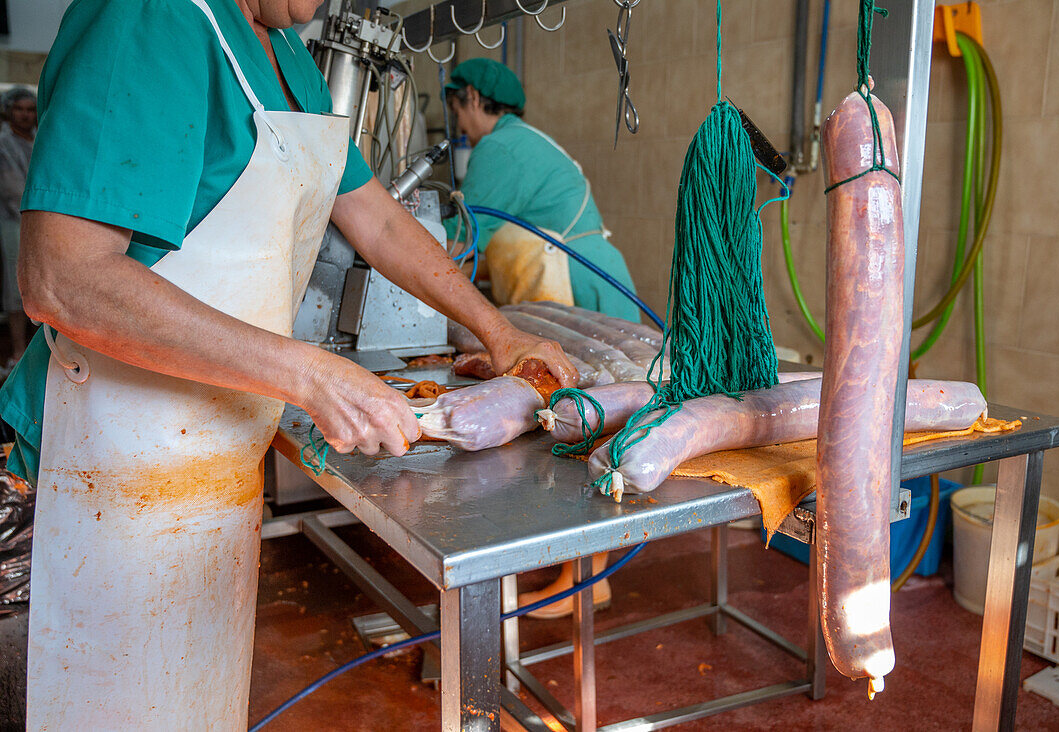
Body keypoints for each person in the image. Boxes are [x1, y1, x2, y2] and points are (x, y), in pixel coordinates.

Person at [1, 0, 576, 727]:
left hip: (204, 472)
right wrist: (306, 373)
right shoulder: (148, 18)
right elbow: (63, 277)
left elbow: (378, 218)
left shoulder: (292, 60)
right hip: (86, 481)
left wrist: (498, 332)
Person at [444, 58, 640, 322]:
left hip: (576, 279)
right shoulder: (524, 138)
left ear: (473, 97)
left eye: (457, 113)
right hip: (600, 275)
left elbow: (460, 241)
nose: (461, 129)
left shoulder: (499, 148)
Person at [0, 87, 36, 364]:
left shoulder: (39, 140)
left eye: (30, 109)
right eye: (19, 109)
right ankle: (17, 351)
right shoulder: (4, 144)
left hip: (40, 224)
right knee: (15, 285)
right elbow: (13, 189)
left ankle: (36, 354)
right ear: (9, 110)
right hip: (13, 222)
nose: (25, 115)